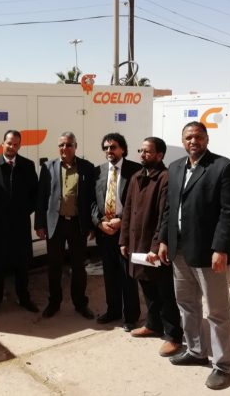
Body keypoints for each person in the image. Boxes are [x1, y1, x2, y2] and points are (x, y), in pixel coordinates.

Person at [158, 121, 230, 390]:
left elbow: (229, 212)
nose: (193, 141)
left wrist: (221, 248)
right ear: (183, 141)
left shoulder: (223, 167)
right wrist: (163, 240)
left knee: (217, 311)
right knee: (187, 304)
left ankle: (222, 365)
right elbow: (169, 208)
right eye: (188, 137)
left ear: (206, 139)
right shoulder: (175, 167)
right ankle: (195, 351)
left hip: (208, 252)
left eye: (198, 136)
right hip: (179, 249)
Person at [118, 137, 183, 357]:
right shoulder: (136, 177)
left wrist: (156, 246)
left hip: (154, 246)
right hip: (137, 244)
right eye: (141, 150)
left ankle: (173, 335)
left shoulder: (165, 178)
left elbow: (166, 215)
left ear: (159, 155)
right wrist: (124, 240)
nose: (142, 154)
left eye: (147, 151)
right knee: (147, 287)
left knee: (165, 292)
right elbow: (127, 210)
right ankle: (153, 325)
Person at [35, 131, 96, 320]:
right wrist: (39, 224)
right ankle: (54, 303)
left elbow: (92, 199)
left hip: (78, 224)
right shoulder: (48, 167)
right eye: (61, 145)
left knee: (78, 267)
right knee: (54, 267)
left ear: (75, 146)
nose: (65, 148)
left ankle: (80, 304)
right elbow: (41, 198)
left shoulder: (87, 167)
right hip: (56, 224)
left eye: (69, 144)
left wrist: (92, 225)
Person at [0, 130, 39, 317]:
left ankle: (24, 298)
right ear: (3, 143)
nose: (12, 147)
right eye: (9, 143)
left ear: (19, 146)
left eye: (15, 144)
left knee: (22, 263)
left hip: (21, 223)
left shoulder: (27, 165)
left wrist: (25, 211)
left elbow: (34, 194)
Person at [91, 133, 141, 330]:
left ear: (123, 149)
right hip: (105, 232)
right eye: (106, 148)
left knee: (128, 276)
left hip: (125, 232)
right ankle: (113, 311)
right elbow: (92, 201)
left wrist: (121, 221)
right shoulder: (98, 171)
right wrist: (98, 223)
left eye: (113, 147)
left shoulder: (135, 171)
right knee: (109, 275)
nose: (109, 151)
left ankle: (131, 317)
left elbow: (138, 202)